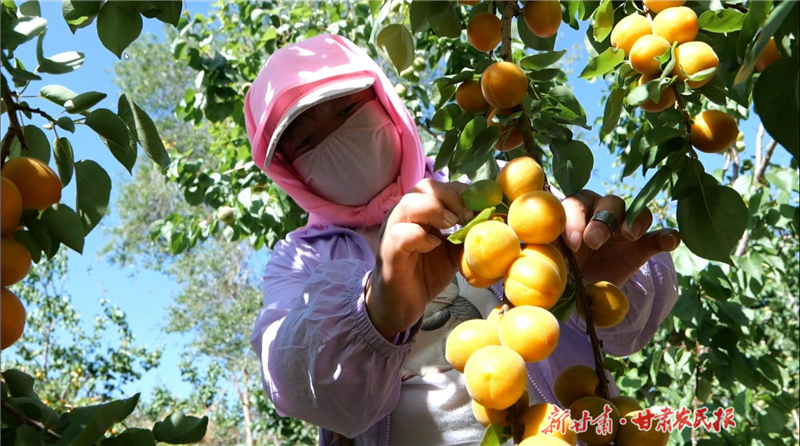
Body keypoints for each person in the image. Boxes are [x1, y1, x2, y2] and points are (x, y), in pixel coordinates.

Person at [245, 34, 681, 446]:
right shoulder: (299, 258)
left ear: (385, 104)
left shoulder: (479, 197)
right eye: (306, 139)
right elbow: (293, 380)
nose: (336, 140)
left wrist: (584, 278)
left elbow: (624, 333)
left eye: (345, 112)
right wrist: (377, 311)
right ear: (289, 172)